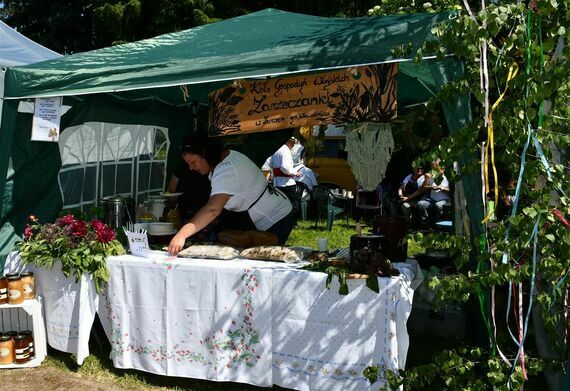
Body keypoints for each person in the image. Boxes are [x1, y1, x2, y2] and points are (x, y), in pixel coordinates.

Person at [168, 136, 294, 255]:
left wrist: (182, 235)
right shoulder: (227, 158)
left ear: (204, 154)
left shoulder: (227, 170)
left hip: (276, 218)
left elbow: (212, 209)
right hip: (266, 215)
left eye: (192, 162)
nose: (191, 168)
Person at [166, 157, 211, 223]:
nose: (191, 167)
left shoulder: (211, 168)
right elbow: (171, 188)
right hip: (184, 213)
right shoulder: (183, 165)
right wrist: (171, 196)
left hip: (205, 214)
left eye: (192, 162)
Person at [416, 159, 451, 227]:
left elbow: (451, 190)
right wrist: (427, 180)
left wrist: (441, 188)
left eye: (435, 166)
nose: (433, 168)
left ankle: (439, 226)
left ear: (440, 166)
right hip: (432, 199)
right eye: (432, 166)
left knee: (438, 205)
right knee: (420, 204)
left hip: (445, 199)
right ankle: (426, 225)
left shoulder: (447, 176)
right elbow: (423, 189)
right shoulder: (430, 176)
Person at [268, 137, 300, 203]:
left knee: (280, 205)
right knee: (292, 205)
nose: (293, 145)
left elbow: (271, 164)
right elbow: (285, 167)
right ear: (288, 141)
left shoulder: (276, 149)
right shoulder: (285, 149)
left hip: (277, 183)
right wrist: (295, 173)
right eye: (293, 142)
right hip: (287, 184)